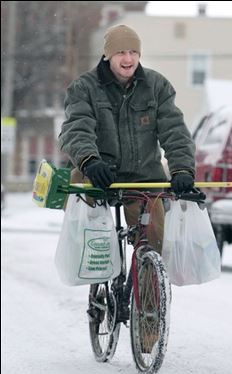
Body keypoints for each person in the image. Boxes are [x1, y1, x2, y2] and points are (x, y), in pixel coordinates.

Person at [59, 24, 195, 254]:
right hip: (98, 175)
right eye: (121, 52)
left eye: (133, 52)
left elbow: (175, 131)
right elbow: (76, 129)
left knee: (155, 245)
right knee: (90, 238)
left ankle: (148, 279)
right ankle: (97, 266)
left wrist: (182, 170)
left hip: (144, 179)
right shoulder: (85, 88)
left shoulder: (156, 86)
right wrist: (90, 161)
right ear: (108, 55)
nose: (128, 58)